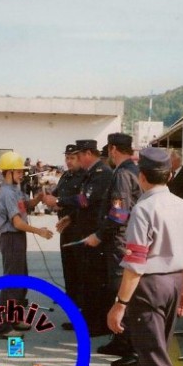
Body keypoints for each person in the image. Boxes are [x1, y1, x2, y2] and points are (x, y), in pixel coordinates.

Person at [107, 147, 183, 366]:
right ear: (170, 176)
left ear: (141, 177)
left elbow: (135, 262)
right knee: (154, 350)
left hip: (149, 286)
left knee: (156, 358)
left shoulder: (143, 209)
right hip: (174, 282)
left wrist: (119, 304)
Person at [84, 133, 142, 366]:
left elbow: (119, 214)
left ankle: (131, 348)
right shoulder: (133, 170)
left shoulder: (122, 174)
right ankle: (119, 340)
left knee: (122, 294)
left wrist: (99, 235)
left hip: (120, 242)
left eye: (108, 150)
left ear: (114, 149)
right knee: (115, 291)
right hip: (122, 240)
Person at [0, 151, 53, 339]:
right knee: (11, 282)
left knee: (21, 279)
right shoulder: (7, 193)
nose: (22, 175)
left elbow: (23, 206)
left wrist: (37, 199)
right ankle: (2, 327)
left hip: (17, 239)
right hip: (11, 238)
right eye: (19, 171)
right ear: (9, 172)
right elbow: (18, 223)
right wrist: (39, 231)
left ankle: (15, 318)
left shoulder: (15, 190)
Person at [57, 139, 113, 337]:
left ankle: (98, 324)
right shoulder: (91, 173)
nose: (76, 160)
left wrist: (58, 201)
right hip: (83, 231)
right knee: (84, 279)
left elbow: (86, 199)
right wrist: (70, 217)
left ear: (88, 153)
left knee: (95, 281)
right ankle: (87, 320)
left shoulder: (101, 173)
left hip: (95, 234)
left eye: (78, 155)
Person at [43, 144, 85, 310]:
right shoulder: (66, 176)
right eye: (67, 158)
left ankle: (81, 306)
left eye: (72, 158)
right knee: (68, 266)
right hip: (65, 228)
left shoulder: (85, 177)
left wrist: (69, 214)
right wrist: (48, 198)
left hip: (79, 227)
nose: (68, 161)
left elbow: (85, 203)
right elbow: (56, 195)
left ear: (79, 158)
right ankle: (71, 300)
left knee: (80, 269)